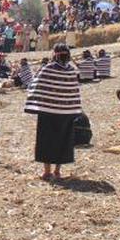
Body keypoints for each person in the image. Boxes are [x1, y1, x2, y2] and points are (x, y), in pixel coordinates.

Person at [24, 43, 81, 180]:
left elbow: (35, 85)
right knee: (63, 140)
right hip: (66, 112)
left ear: (54, 54)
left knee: (46, 141)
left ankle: (47, 172)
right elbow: (74, 90)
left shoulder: (48, 68)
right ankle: (57, 171)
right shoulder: (72, 70)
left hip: (48, 111)